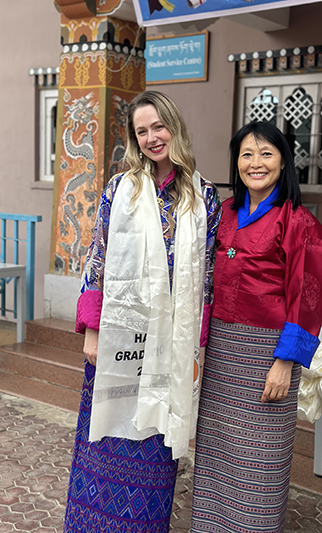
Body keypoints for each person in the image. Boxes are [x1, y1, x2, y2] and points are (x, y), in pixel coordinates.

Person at [63, 90, 221, 533]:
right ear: (134, 138)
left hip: (171, 344)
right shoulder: (122, 188)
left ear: (174, 126)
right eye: (142, 131)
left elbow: (206, 277)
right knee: (107, 440)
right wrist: (92, 330)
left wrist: (197, 346)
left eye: (159, 126)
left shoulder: (203, 196)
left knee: (155, 447)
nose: (153, 138)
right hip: (121, 339)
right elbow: (99, 256)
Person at [191, 121, 322, 533]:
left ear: (283, 161)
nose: (256, 163)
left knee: (261, 458)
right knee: (216, 451)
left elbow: (307, 295)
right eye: (247, 154)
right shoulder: (225, 212)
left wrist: (285, 362)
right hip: (222, 352)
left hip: (268, 352)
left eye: (266, 153)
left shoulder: (298, 221)